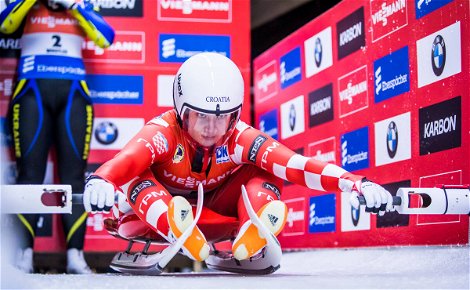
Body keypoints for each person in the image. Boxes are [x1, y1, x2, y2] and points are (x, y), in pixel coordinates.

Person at [83, 52, 394, 264]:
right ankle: (179, 227)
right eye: (200, 117)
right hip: (145, 219)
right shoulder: (162, 131)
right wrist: (101, 180)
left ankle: (251, 233)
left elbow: (295, 165)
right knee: (137, 175)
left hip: (214, 220)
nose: (211, 128)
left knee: (269, 169)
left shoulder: (239, 136)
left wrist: (356, 184)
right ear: (181, 111)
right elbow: (126, 160)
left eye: (224, 118)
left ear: (235, 115)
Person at [0, 0, 114, 273]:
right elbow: (5, 25)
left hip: (74, 94)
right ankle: (24, 254)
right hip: (31, 91)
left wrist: (73, 5)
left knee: (74, 175)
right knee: (29, 174)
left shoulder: (82, 4)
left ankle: (76, 255)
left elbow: (106, 38)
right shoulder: (27, 4)